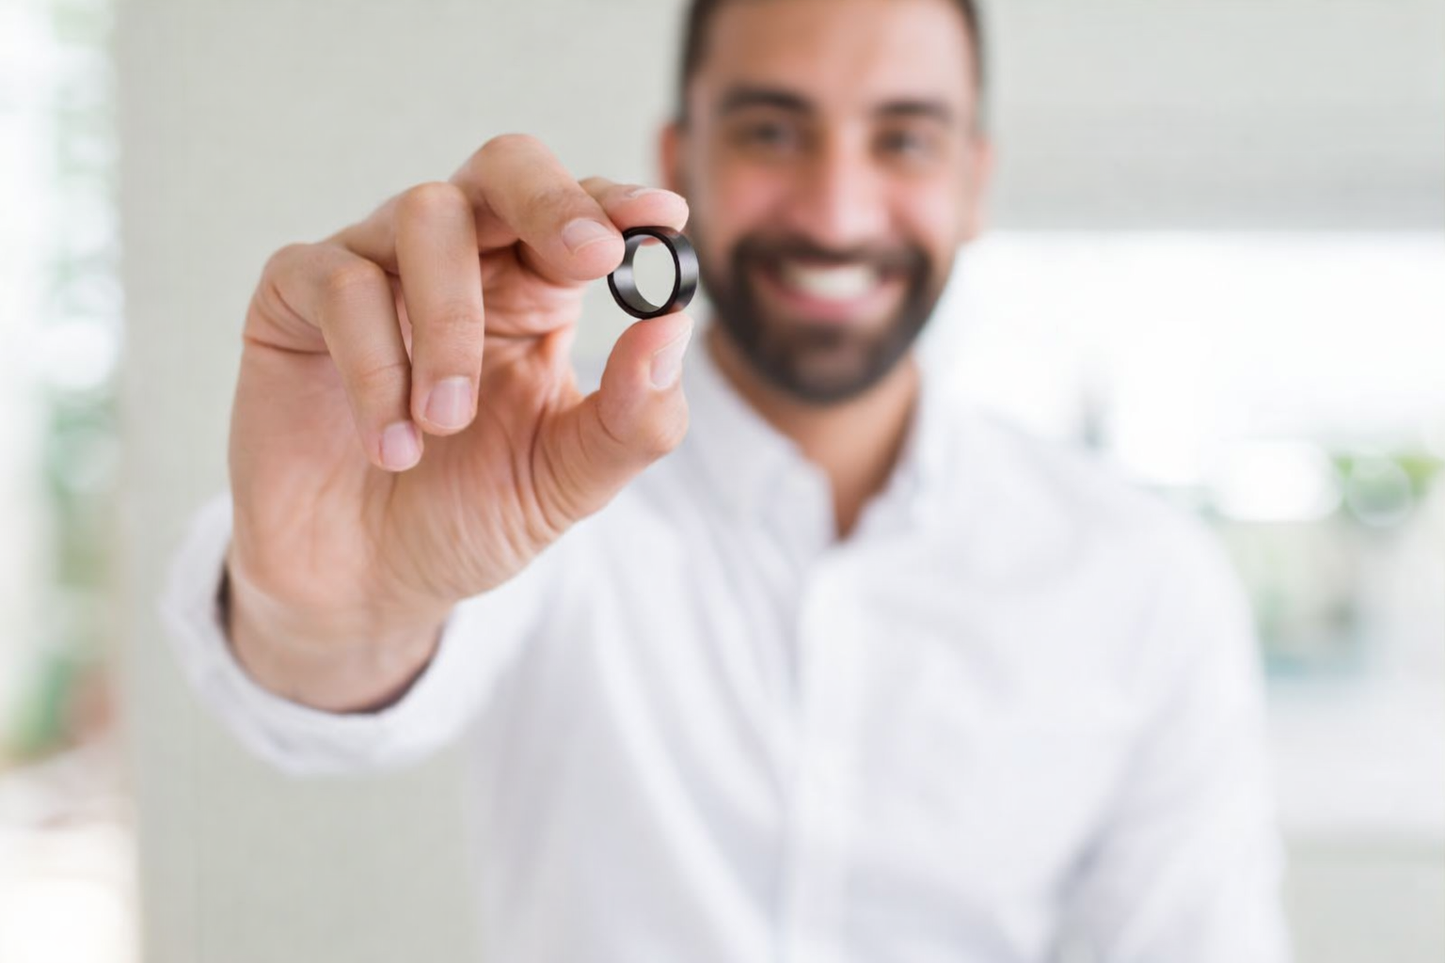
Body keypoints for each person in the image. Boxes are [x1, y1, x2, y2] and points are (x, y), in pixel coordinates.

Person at [161, 0, 1289, 959]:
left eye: (903, 139)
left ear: (971, 183)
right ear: (677, 161)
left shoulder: (1143, 578)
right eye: (770, 130)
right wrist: (334, 611)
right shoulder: (531, 476)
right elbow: (323, 691)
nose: (836, 212)